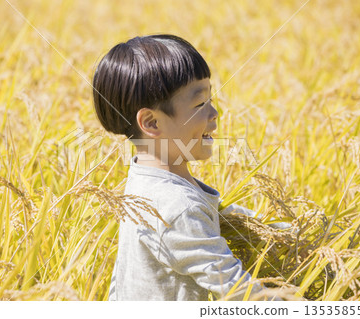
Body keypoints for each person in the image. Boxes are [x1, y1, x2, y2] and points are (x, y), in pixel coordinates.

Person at [92, 34, 276, 301]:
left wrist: (288, 233)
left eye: (211, 100)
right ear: (152, 123)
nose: (215, 114)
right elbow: (238, 290)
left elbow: (214, 213)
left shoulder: (147, 178)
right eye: (200, 104)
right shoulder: (177, 207)